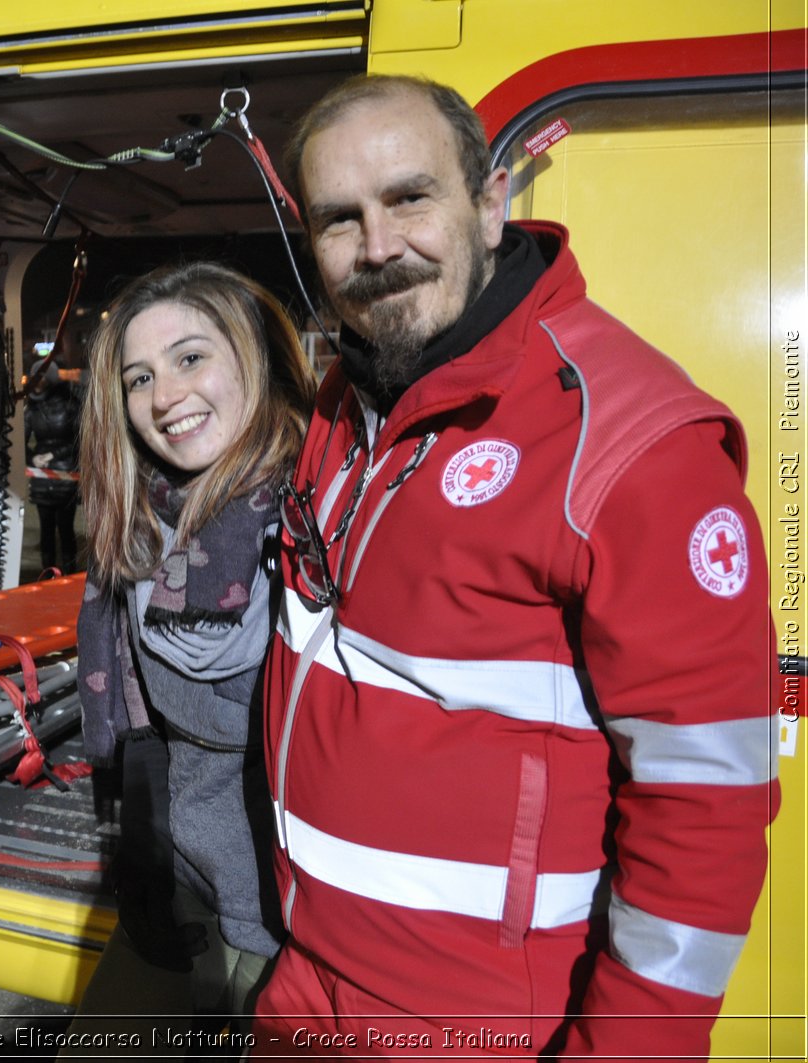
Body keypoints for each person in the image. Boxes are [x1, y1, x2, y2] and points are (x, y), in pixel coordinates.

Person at [256, 74, 778, 1057]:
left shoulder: (629, 443)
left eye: (410, 198)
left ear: (491, 202)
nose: (377, 247)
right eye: (339, 220)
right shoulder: (345, 400)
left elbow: (704, 811)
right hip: (307, 987)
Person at [69, 261, 315, 1052]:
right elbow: (147, 713)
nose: (164, 396)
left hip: (286, 909)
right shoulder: (141, 525)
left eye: (190, 358)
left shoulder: (319, 522)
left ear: (257, 357)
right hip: (177, 873)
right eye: (139, 376)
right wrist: (143, 851)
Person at [24, 360, 83, 573]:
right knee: (50, 532)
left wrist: (46, 455)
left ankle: (65, 578)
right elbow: (17, 443)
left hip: (64, 479)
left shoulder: (71, 404)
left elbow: (81, 440)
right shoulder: (33, 407)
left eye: (40, 377)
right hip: (46, 479)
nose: (37, 383)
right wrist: (33, 460)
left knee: (63, 530)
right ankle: (53, 579)